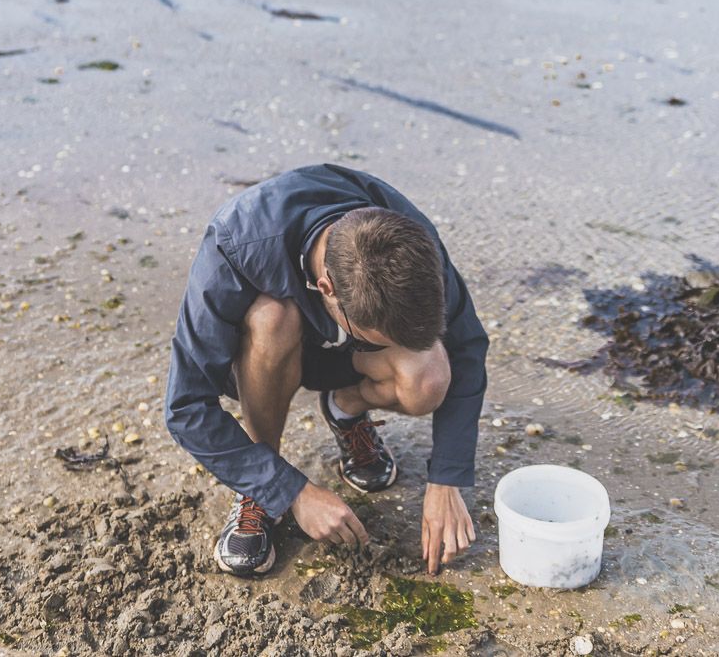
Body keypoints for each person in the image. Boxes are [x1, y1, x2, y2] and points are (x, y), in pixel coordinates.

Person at [165, 164, 488, 579]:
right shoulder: (236, 242)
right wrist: (291, 490)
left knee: (428, 374)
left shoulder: (410, 241)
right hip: (260, 356)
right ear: (327, 289)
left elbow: (467, 346)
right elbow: (185, 407)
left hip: (341, 353)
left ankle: (345, 409)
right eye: (379, 339)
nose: (390, 350)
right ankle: (259, 489)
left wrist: (447, 479)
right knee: (272, 316)